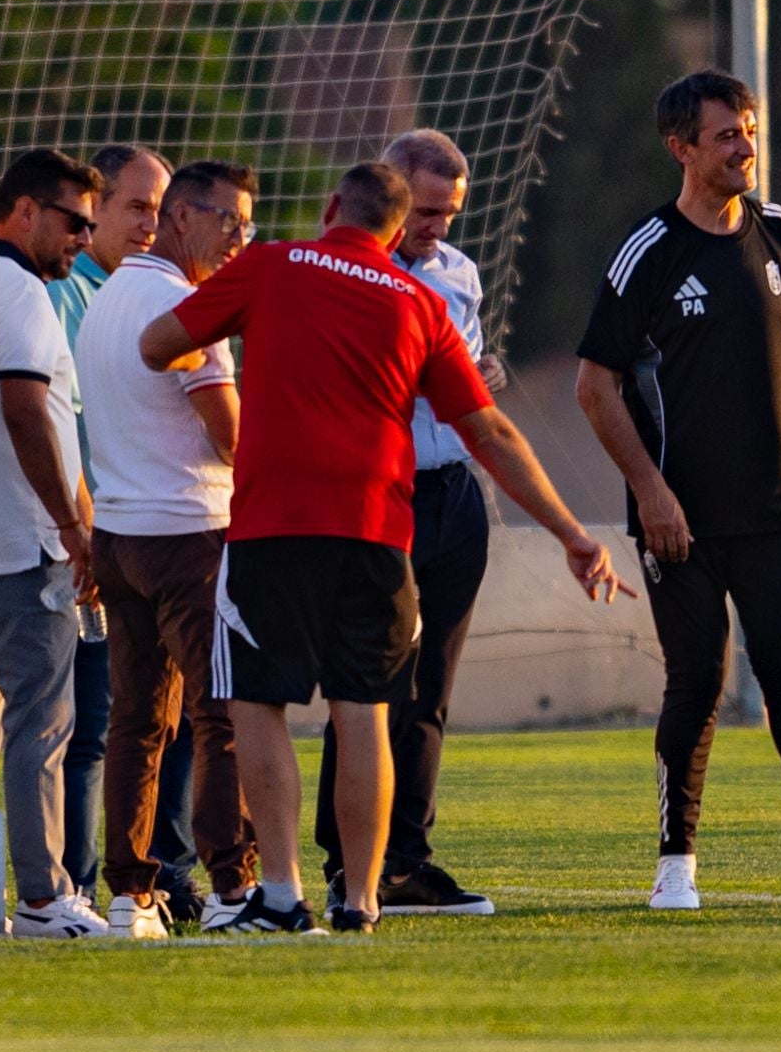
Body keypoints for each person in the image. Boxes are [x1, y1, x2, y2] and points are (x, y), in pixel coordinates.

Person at [139, 162, 632, 935]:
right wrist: (571, 533)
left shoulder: (270, 265)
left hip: (274, 527)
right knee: (364, 711)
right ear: (396, 231)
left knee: (256, 704)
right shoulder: (420, 302)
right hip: (378, 534)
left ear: (333, 205)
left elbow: (157, 345)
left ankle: (280, 896)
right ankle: (362, 900)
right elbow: (489, 431)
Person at [574, 69, 781, 913]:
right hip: (677, 519)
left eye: (750, 130)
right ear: (681, 148)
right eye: (726, 135)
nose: (745, 147)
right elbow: (594, 386)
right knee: (695, 679)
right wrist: (650, 492)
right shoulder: (647, 252)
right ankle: (675, 867)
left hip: (779, 506)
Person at [313, 130, 502, 917]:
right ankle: (345, 860)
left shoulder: (459, 272)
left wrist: (479, 375)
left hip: (454, 491)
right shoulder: (348, 272)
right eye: (426, 211)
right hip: (381, 494)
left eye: (450, 213)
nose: (438, 227)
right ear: (389, 194)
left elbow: (467, 373)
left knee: (430, 691)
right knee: (364, 686)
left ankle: (407, 860)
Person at [78, 159, 260, 939]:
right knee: (224, 714)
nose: (239, 237)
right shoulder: (187, 308)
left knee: (136, 720)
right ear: (181, 216)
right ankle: (232, 888)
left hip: (120, 532)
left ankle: (131, 894)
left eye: (248, 224)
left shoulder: (107, 297)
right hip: (188, 533)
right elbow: (230, 439)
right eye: (229, 220)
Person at [0, 148, 109, 938]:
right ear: (25, 212)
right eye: (74, 222)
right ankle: (43, 896)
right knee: (42, 724)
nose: (84, 238)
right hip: (21, 542)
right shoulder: (19, 291)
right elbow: (26, 411)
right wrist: (73, 527)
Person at [43, 143, 201, 915]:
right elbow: (56, 421)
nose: (149, 223)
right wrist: (81, 526)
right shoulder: (64, 295)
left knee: (178, 717)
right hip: (95, 536)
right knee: (96, 726)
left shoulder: (157, 293)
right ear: (95, 209)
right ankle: (75, 882)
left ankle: (166, 871)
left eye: (159, 210)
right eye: (135, 207)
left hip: (159, 529)